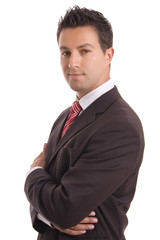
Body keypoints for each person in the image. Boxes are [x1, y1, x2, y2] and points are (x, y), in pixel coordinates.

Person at [24, 6, 145, 240]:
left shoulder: (121, 126)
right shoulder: (66, 116)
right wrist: (50, 216)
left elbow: (64, 208)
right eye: (66, 52)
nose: (72, 63)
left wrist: (33, 173)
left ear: (108, 55)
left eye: (84, 51)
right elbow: (53, 207)